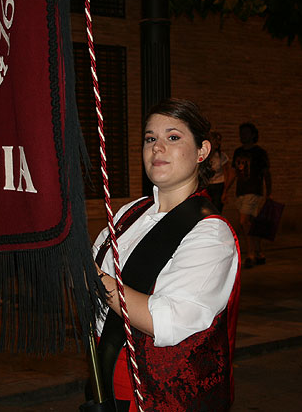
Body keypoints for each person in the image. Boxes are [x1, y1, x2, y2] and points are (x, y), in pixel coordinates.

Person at [92, 98, 240, 411]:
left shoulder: (211, 232)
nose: (158, 148)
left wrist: (90, 275)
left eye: (173, 137)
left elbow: (163, 321)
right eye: (150, 138)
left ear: (202, 151)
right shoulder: (131, 212)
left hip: (159, 396)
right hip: (104, 378)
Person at [222, 123, 271, 269]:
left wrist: (269, 192)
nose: (243, 135)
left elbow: (266, 173)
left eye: (246, 133)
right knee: (252, 223)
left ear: (253, 134)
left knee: (244, 221)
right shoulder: (238, 151)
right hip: (241, 191)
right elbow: (233, 172)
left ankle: (250, 254)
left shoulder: (260, 152)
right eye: (241, 132)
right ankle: (259, 252)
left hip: (254, 191)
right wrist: (226, 189)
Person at [208, 132, 231, 212]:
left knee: (216, 210)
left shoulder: (222, 156)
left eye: (219, 140)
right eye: (215, 140)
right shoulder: (203, 155)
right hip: (206, 185)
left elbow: (227, 173)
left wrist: (225, 191)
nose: (217, 142)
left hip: (218, 185)